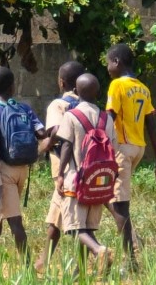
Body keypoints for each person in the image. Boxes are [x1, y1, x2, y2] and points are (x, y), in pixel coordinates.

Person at [0, 66, 46, 265]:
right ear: (13, 87)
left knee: (14, 221)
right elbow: (42, 134)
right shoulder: (25, 109)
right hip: (22, 170)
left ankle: (28, 269)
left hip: (4, 172)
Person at [104, 43, 156, 269]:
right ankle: (132, 236)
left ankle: (131, 260)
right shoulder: (143, 87)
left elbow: (109, 117)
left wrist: (96, 144)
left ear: (117, 62)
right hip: (138, 147)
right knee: (106, 194)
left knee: (120, 205)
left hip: (122, 147)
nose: (107, 68)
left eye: (108, 63)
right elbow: (152, 125)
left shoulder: (117, 85)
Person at [55, 73, 117, 275]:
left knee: (74, 227)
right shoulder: (106, 118)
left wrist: (61, 174)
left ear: (76, 91)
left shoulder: (71, 116)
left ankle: (99, 250)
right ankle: (79, 271)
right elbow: (113, 147)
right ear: (98, 92)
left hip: (77, 179)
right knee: (87, 228)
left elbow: (66, 145)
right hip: (99, 181)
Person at [34, 61, 86, 272]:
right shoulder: (87, 105)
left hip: (64, 169)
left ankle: (97, 253)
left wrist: (44, 145)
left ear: (61, 82)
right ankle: (44, 261)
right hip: (84, 166)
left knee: (75, 221)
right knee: (57, 216)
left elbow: (56, 132)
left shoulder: (58, 105)